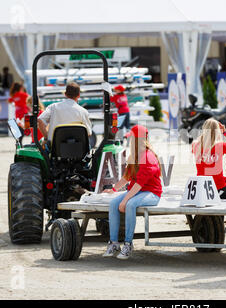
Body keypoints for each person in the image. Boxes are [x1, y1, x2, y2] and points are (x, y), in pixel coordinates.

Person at [102, 125, 162, 259]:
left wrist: (124, 200)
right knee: (113, 204)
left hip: (152, 193)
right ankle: (113, 243)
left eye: (132, 138)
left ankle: (128, 244)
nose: (130, 140)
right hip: (137, 191)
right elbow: (127, 177)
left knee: (129, 205)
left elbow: (139, 185)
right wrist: (113, 189)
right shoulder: (134, 156)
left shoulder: (148, 157)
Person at [192, 119, 226, 199]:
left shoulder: (195, 145)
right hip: (219, 188)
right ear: (217, 131)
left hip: (202, 187)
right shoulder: (220, 146)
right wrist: (225, 133)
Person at [38, 82, 92, 146]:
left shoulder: (53, 107)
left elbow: (40, 120)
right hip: (78, 149)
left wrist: (46, 138)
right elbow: (89, 133)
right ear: (78, 95)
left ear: (65, 94)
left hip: (55, 148)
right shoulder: (83, 111)